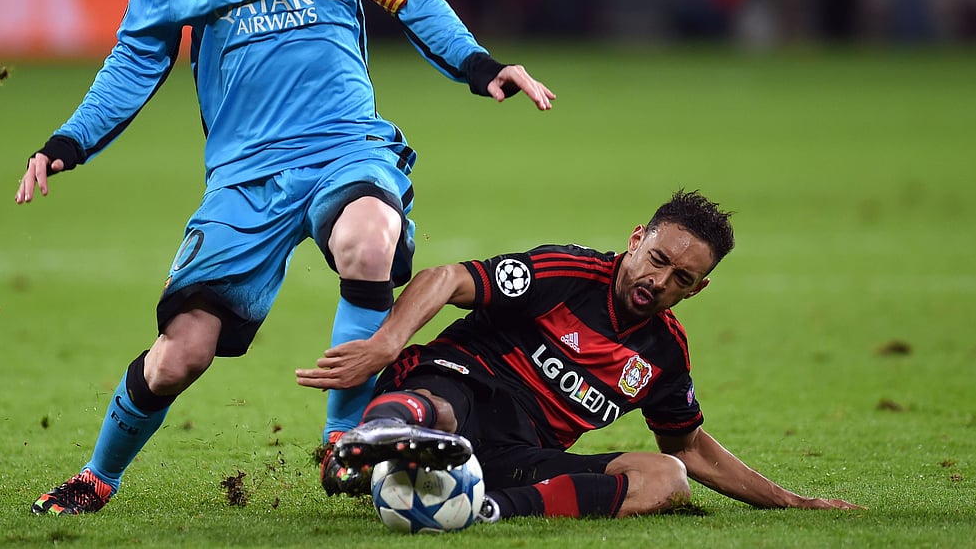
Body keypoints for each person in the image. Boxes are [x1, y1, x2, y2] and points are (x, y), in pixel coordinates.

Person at [17, 0, 555, 516]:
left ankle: (343, 442)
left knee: (371, 236)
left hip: (344, 144)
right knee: (183, 354)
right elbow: (134, 63)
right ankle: (98, 474)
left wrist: (479, 62)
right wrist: (68, 142)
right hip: (244, 176)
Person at [296, 190, 863, 520]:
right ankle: (361, 448)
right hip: (467, 382)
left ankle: (483, 508)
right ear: (637, 238)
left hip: (519, 449)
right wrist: (386, 342)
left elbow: (689, 447)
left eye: (681, 277)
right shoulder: (566, 274)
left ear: (697, 289)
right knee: (439, 409)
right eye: (657, 257)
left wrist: (789, 501)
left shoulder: (663, 354)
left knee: (665, 478)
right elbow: (446, 278)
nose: (658, 280)